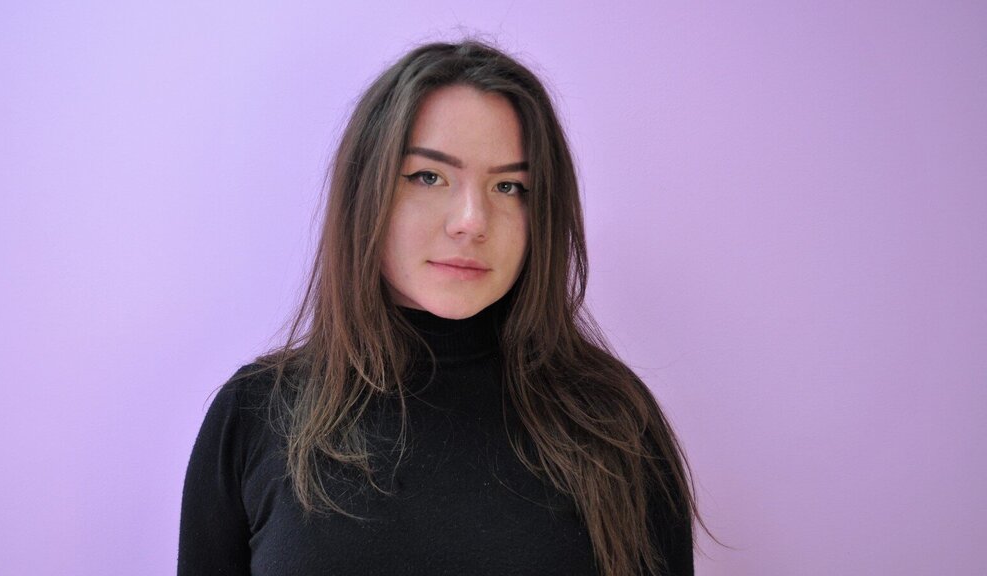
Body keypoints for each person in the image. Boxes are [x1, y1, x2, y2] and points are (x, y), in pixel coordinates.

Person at [179, 40, 701, 576]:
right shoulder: (255, 415)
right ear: (366, 191)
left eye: (509, 186)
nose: (471, 221)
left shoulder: (612, 423)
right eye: (428, 177)